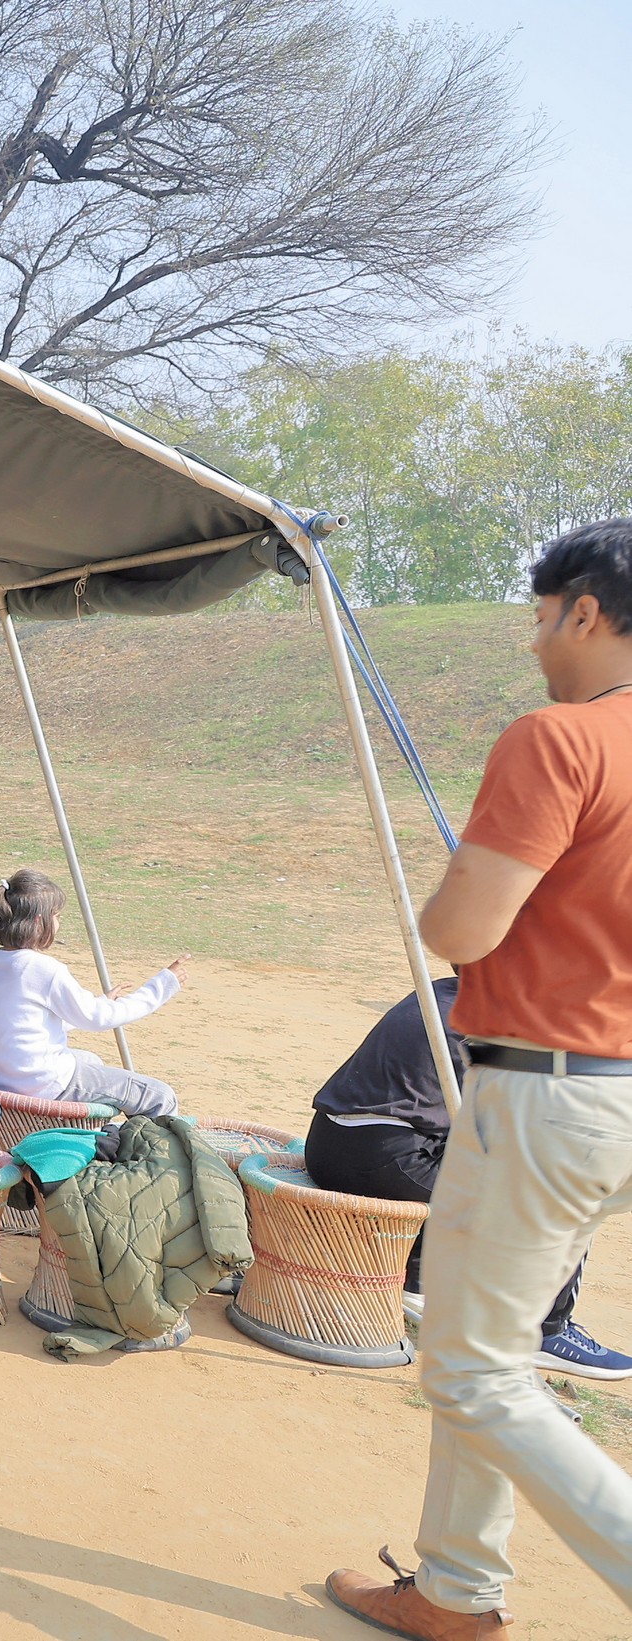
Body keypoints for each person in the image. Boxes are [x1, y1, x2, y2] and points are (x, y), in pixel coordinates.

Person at [325, 521, 632, 1637]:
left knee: (471, 1374)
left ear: (585, 611)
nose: (536, 642)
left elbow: (461, 929)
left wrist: (455, 894)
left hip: (549, 1092)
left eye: (542, 618)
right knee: (490, 1345)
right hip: (614, 1096)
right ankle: (456, 1590)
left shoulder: (560, 739)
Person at [306, 977, 627, 1376]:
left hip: (332, 1144)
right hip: (383, 1160)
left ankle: (419, 1283)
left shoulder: (444, 991)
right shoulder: (498, 1020)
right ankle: (547, 1332)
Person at [0, 868, 182, 1116]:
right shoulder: (43, 968)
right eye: (57, 916)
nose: (58, 923)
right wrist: (162, 986)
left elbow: (27, 1021)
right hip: (41, 1083)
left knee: (91, 1060)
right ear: (39, 921)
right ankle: (148, 1142)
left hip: (0, 1077)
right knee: (160, 1096)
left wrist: (101, 1001)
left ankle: (84, 1127)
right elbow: (97, 1018)